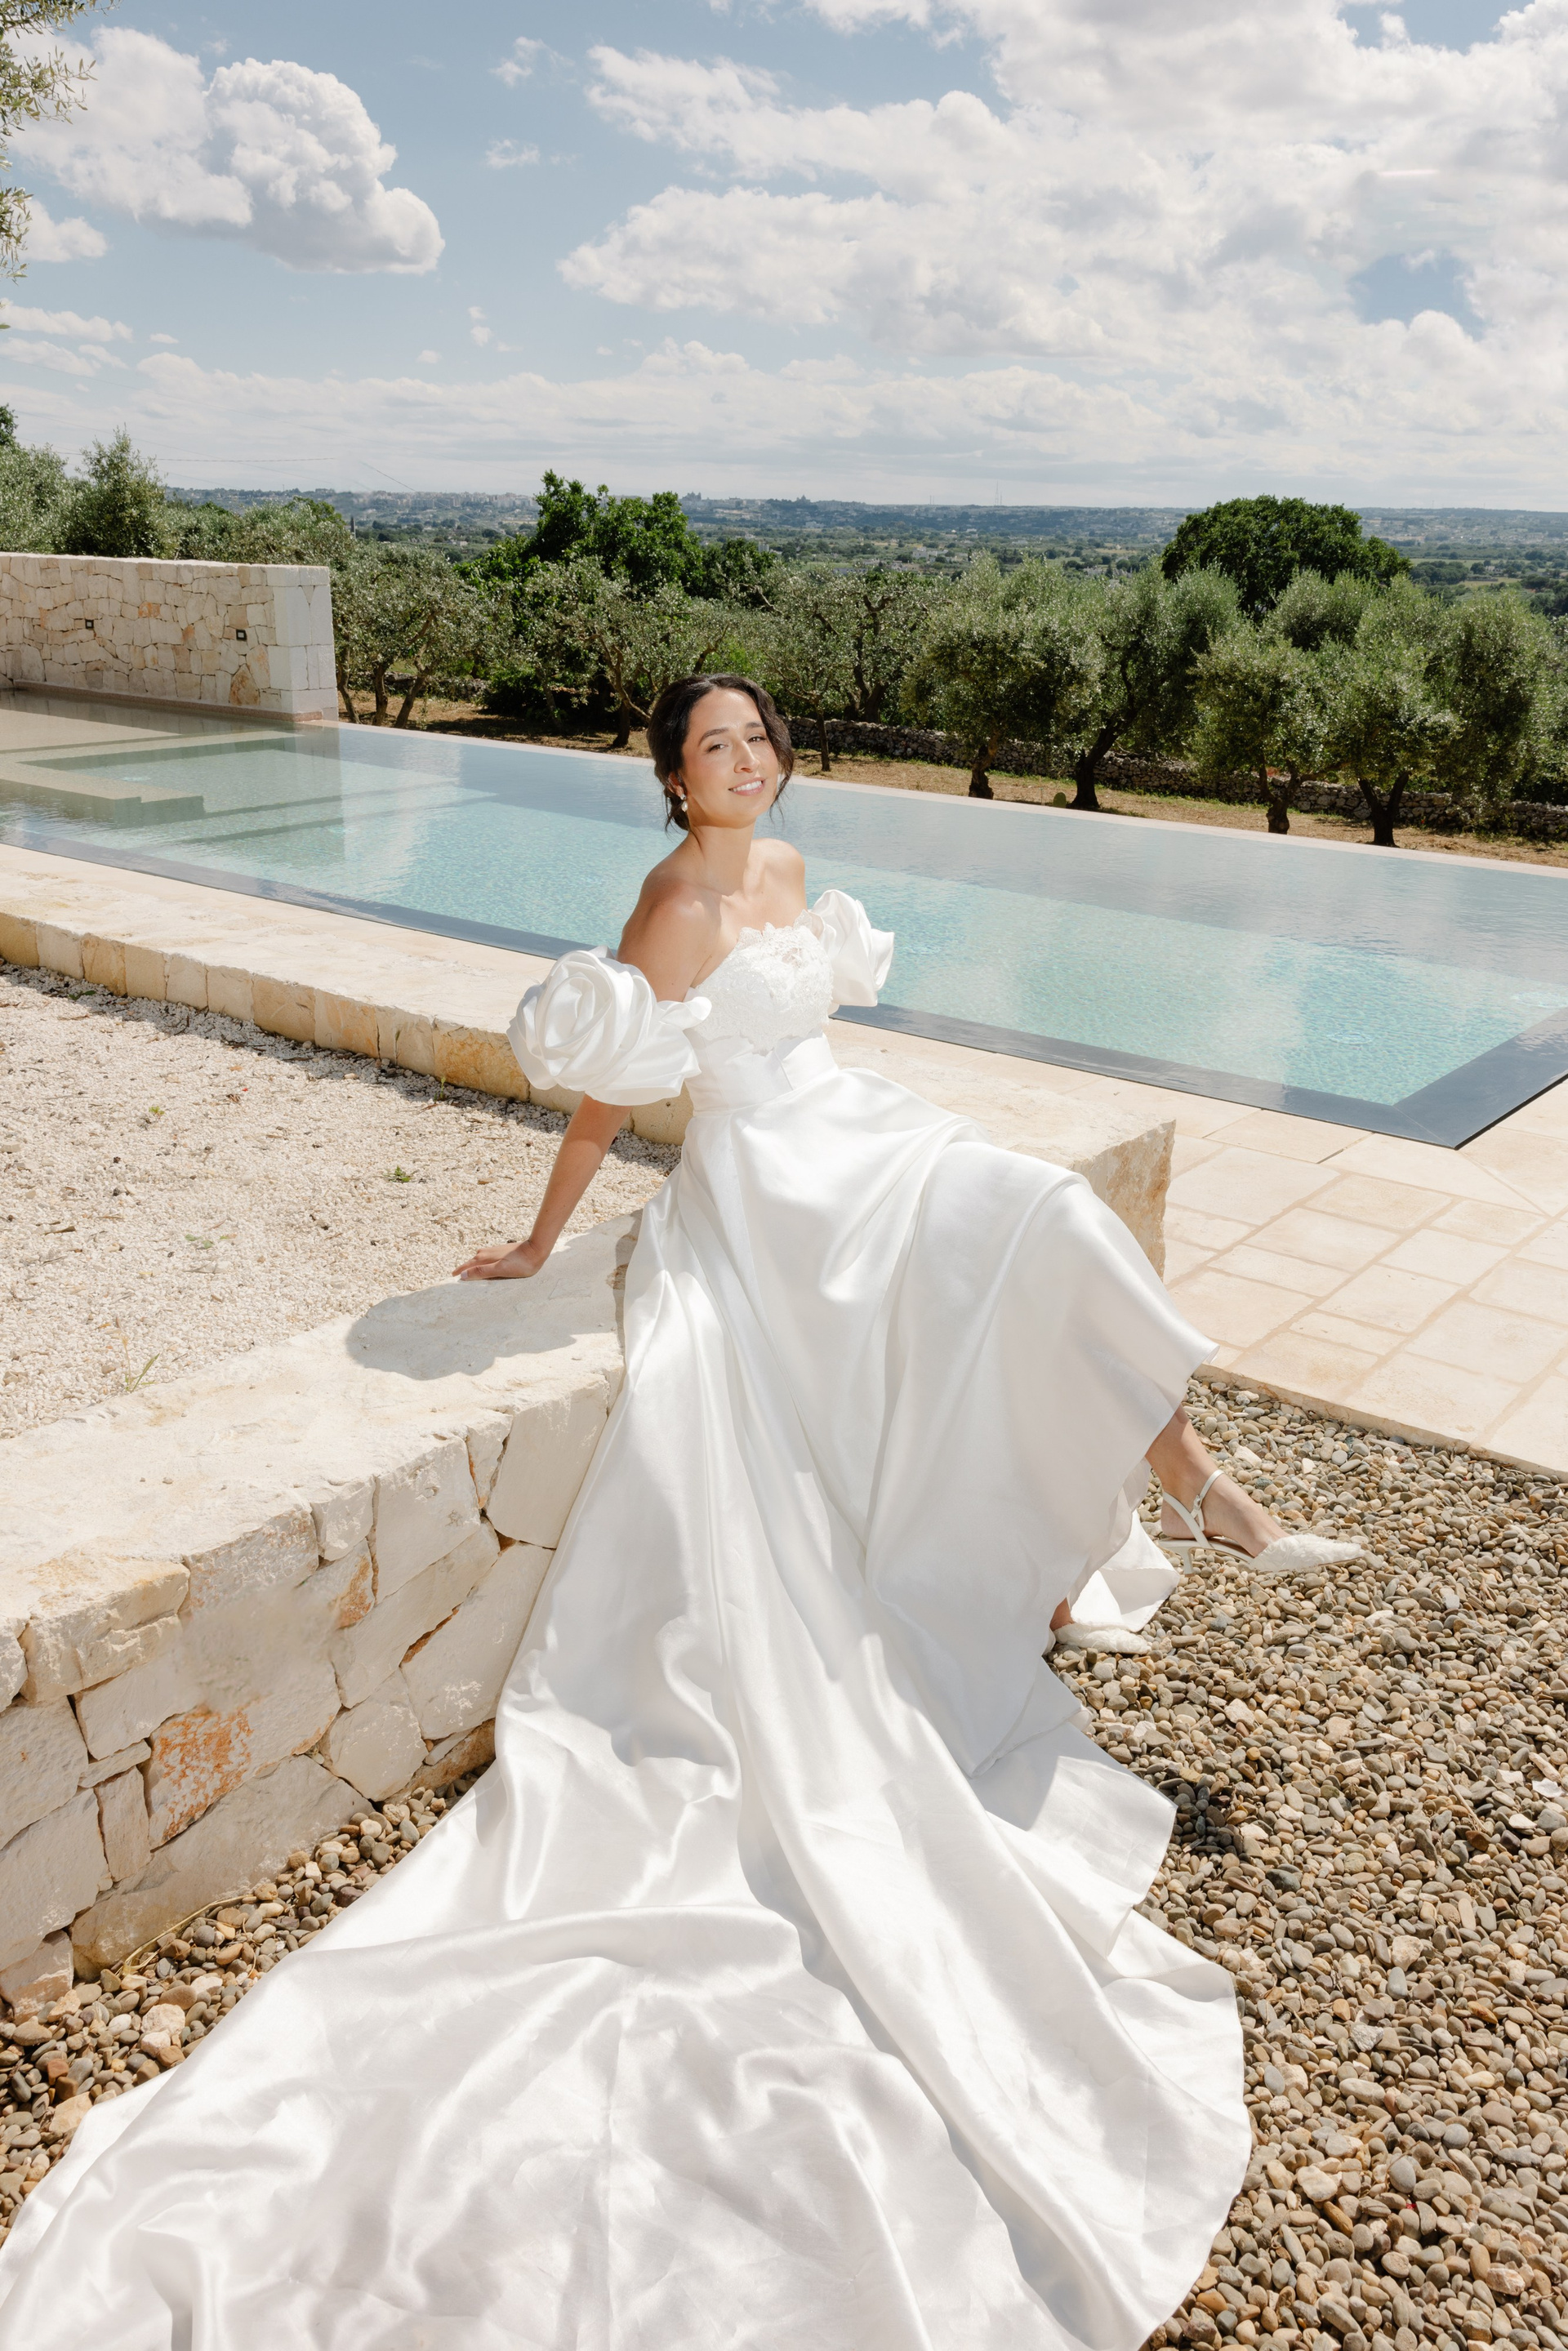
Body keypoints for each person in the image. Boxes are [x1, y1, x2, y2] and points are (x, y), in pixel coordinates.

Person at [0, 675, 1356, 2349]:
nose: (745, 762)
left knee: (1049, 1223)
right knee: (1018, 1240)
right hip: (768, 1195)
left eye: (759, 739)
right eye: (715, 747)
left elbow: (819, 1036)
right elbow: (616, 1092)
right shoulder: (673, 900)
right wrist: (540, 1240)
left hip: (856, 1138)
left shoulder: (786, 871)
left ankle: (1200, 1486)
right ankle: (1172, 1503)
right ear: (672, 776)